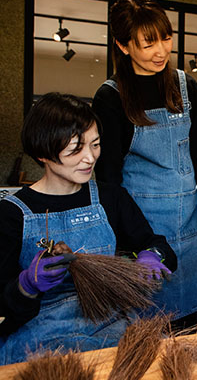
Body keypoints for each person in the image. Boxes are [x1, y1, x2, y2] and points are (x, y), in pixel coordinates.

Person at [0, 93, 177, 365]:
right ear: (41, 153)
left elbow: (159, 246)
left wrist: (152, 255)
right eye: (75, 149)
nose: (89, 158)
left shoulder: (111, 198)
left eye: (95, 145)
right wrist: (27, 285)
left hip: (108, 329)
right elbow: (3, 307)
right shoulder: (11, 214)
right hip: (37, 343)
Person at [92, 0, 197, 332]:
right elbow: (109, 181)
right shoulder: (111, 97)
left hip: (187, 225)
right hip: (143, 230)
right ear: (123, 46)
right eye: (148, 42)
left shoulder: (185, 86)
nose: (161, 51)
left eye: (166, 38)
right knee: (149, 328)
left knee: (194, 325)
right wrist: (135, 243)